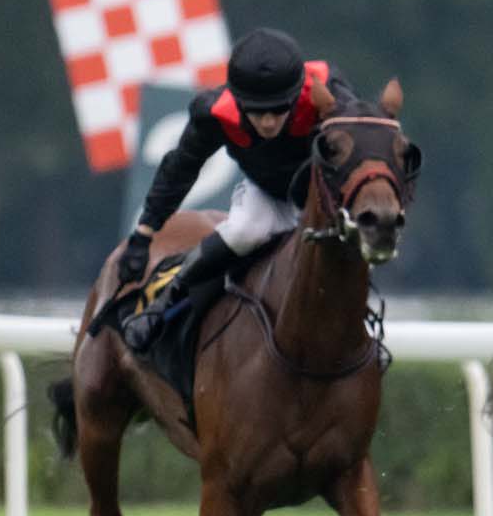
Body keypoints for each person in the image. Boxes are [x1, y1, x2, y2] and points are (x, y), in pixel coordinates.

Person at [118, 28, 356, 353]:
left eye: (279, 109)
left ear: (299, 92)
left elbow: (365, 145)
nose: (270, 122)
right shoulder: (213, 112)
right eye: (258, 111)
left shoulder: (329, 91)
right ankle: (163, 304)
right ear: (238, 99)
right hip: (268, 195)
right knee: (244, 230)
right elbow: (179, 170)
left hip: (322, 199)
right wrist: (143, 234)